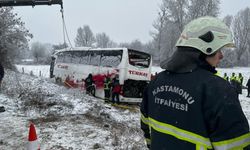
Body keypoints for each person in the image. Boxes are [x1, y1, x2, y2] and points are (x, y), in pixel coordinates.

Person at [140, 16, 250, 150]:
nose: (221, 56)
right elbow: (237, 146)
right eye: (219, 50)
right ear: (205, 48)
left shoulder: (155, 83)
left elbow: (146, 127)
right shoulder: (218, 91)